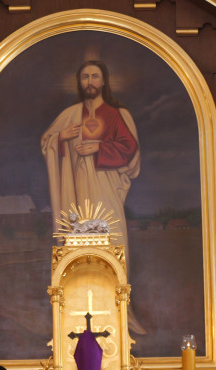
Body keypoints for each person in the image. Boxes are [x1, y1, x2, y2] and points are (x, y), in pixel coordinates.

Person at [41, 60, 140, 252]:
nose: (90, 82)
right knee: (78, 240)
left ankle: (117, 281)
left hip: (107, 188)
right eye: (85, 77)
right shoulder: (70, 115)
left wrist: (99, 147)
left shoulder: (116, 114)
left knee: (113, 238)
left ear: (104, 81)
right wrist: (60, 137)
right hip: (76, 189)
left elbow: (129, 150)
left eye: (95, 76)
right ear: (79, 82)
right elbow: (47, 143)